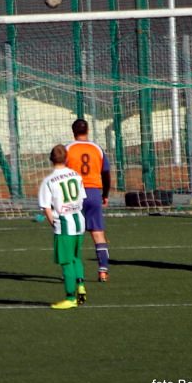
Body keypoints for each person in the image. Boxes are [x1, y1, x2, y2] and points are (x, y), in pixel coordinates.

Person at [38, 144, 88, 309]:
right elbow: (82, 198)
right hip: (79, 221)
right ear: (66, 158)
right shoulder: (76, 175)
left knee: (66, 262)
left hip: (64, 224)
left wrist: (54, 223)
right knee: (76, 257)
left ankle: (70, 298)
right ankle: (81, 285)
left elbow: (46, 207)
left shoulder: (48, 181)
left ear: (51, 159)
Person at [65, 118, 111, 283]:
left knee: (71, 233)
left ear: (73, 131)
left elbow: (60, 174)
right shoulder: (97, 149)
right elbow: (106, 174)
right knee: (98, 233)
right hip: (93, 193)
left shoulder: (68, 149)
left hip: (73, 193)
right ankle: (103, 271)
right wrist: (105, 194)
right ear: (88, 130)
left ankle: (74, 273)